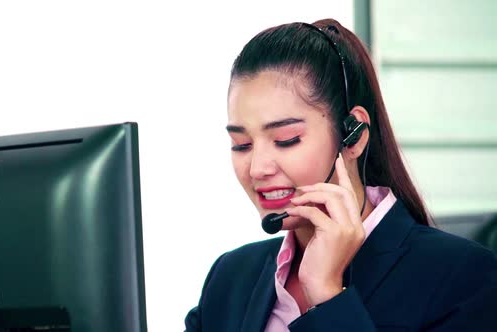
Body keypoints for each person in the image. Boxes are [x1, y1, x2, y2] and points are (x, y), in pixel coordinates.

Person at [184, 18, 497, 331]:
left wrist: (328, 296)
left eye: (286, 139)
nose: (257, 168)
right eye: (241, 144)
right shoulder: (231, 278)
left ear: (354, 135)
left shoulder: (465, 278)